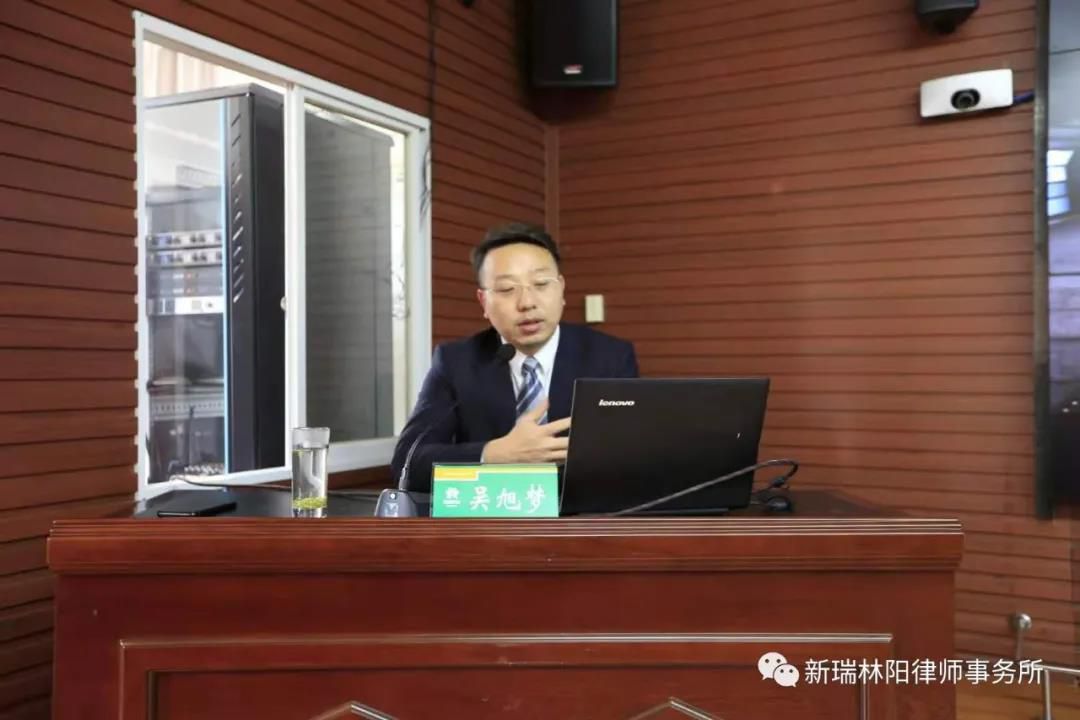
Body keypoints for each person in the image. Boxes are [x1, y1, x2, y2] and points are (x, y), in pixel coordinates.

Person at [391, 222, 639, 494]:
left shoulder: (610, 357)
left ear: (561, 290)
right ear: (483, 302)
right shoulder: (456, 362)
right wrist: (493, 455)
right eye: (507, 289)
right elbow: (407, 462)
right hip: (492, 512)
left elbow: (632, 455)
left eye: (541, 284)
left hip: (582, 514)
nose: (527, 303)